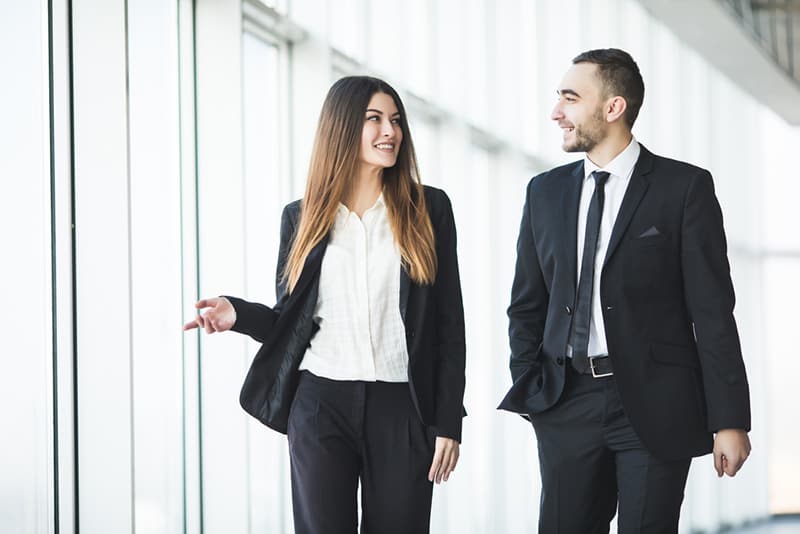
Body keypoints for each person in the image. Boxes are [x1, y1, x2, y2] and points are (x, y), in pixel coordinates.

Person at [184, 76, 466, 534]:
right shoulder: (302, 216)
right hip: (321, 403)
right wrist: (238, 314)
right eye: (374, 119)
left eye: (395, 120)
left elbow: (450, 326)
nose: (389, 131)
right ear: (341, 127)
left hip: (403, 404)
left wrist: (448, 420)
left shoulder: (428, 209)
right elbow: (290, 320)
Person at [498, 48, 751, 532]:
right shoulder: (543, 192)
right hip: (566, 401)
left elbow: (713, 312)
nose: (556, 112)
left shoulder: (684, 189)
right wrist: (535, 388)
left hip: (655, 404)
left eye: (570, 99)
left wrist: (730, 418)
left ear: (613, 108)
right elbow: (526, 305)